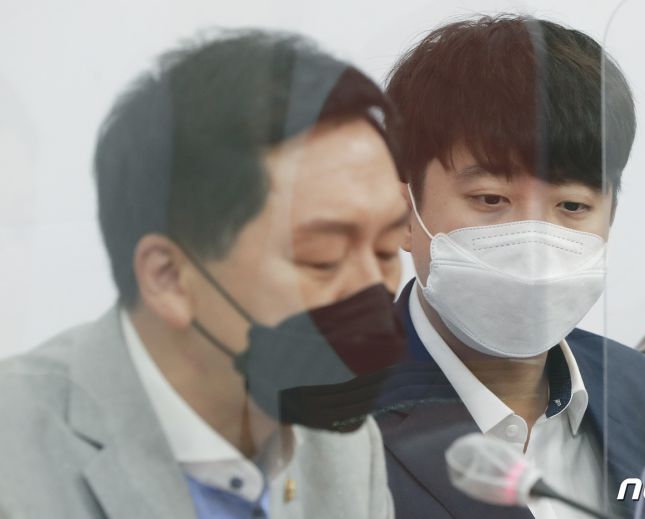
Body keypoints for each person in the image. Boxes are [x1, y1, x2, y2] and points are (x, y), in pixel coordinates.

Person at [0, 30, 410, 518]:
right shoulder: (17, 459)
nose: (373, 288)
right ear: (169, 278)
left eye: (387, 249)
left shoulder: (344, 445)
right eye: (323, 258)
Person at [374, 15, 645, 518]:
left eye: (573, 206)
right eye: (490, 199)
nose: (534, 247)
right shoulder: (314, 427)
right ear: (402, 213)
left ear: (611, 217)